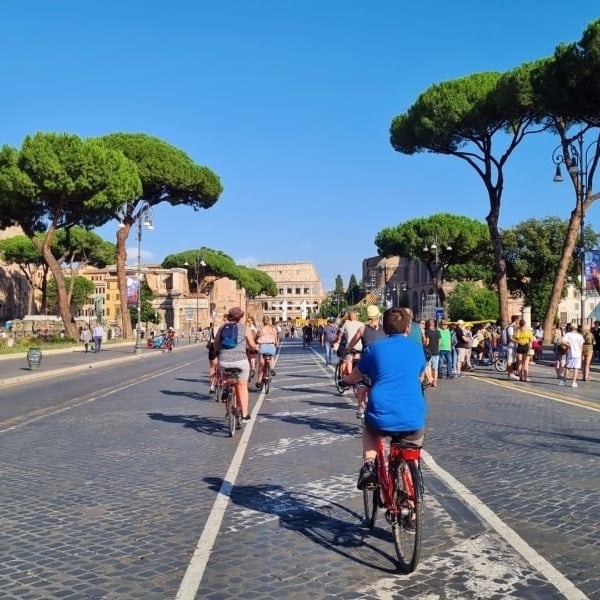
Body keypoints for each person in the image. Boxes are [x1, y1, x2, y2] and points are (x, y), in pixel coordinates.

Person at [342, 308, 426, 490]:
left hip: (382, 411)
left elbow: (356, 374)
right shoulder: (417, 350)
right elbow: (420, 375)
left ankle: (370, 465)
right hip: (413, 413)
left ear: (385, 329)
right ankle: (412, 500)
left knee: (370, 430)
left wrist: (345, 381)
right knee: (412, 450)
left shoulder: (374, 348)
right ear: (407, 329)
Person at [214, 307, 259, 421]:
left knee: (225, 377)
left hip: (223, 361)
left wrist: (220, 350)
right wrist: (255, 348)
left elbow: (215, 344)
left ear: (229, 316)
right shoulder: (245, 328)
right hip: (240, 361)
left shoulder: (222, 327)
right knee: (242, 386)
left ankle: (225, 387)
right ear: (241, 317)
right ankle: (244, 414)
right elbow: (252, 345)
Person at [346, 305, 386, 414]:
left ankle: (361, 406)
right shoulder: (385, 329)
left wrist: (348, 350)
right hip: (381, 362)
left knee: (361, 381)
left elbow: (353, 342)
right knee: (378, 383)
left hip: (367, 360)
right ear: (378, 316)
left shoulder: (362, 329)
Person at [333, 309, 364, 378]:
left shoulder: (346, 323)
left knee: (347, 361)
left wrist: (334, 341)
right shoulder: (361, 324)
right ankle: (357, 377)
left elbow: (339, 336)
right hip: (359, 347)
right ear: (356, 316)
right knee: (357, 362)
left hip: (350, 347)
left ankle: (346, 379)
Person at [255, 315, 279, 388]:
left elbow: (256, 339)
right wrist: (275, 343)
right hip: (271, 346)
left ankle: (259, 381)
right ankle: (271, 368)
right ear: (269, 321)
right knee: (271, 356)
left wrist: (256, 340)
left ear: (263, 321)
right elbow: (276, 339)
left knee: (261, 365)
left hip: (263, 346)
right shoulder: (273, 329)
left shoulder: (260, 329)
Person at [559, 323, 584, 387]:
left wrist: (569, 345)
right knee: (576, 368)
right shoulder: (580, 336)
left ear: (570, 328)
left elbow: (562, 341)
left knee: (568, 367)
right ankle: (574, 382)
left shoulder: (568, 335)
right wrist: (581, 355)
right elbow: (581, 346)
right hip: (578, 353)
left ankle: (563, 381)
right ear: (577, 328)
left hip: (571, 353)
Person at [424, 319, 441, 386]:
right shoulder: (438, 331)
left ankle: (429, 380)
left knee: (428, 366)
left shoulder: (427, 331)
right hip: (436, 351)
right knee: (435, 368)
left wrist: (424, 344)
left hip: (429, 351)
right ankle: (435, 382)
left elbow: (427, 342)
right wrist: (437, 348)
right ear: (434, 324)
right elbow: (439, 342)